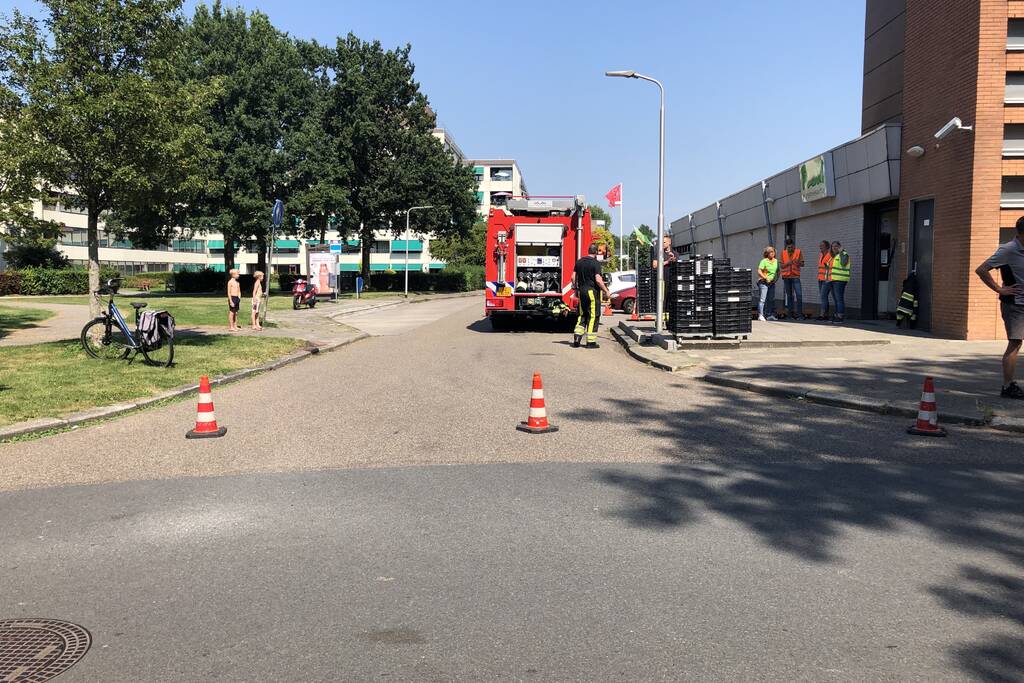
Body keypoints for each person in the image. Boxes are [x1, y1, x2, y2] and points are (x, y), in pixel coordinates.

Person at [974, 216, 1024, 398]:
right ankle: (1007, 386)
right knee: (1015, 343)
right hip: (1016, 305)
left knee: (1017, 344)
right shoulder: (1008, 250)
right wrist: (1000, 289)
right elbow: (981, 269)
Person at [573, 243, 611, 348]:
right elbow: (598, 280)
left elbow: (573, 277)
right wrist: (606, 290)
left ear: (588, 250)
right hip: (592, 292)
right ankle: (590, 342)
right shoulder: (595, 263)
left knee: (582, 314)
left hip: (581, 292)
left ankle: (577, 337)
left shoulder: (579, 262)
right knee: (593, 316)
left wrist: (576, 288)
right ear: (595, 252)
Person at [652, 236, 677, 320]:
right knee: (662, 299)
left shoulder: (675, 253)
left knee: (671, 300)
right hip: (662, 280)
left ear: (669, 242)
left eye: (664, 242)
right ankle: (660, 321)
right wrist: (667, 262)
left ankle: (669, 320)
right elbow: (655, 265)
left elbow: (679, 264)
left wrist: (673, 258)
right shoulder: (659, 254)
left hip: (672, 280)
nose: (662, 244)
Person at [780, 237, 805, 320]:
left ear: (794, 246)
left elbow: (802, 264)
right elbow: (782, 266)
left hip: (795, 277)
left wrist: (798, 262)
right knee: (790, 296)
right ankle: (789, 315)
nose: (790, 248)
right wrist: (788, 263)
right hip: (786, 277)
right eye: (788, 247)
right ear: (786, 247)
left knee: (799, 295)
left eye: (791, 247)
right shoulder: (783, 253)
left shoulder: (798, 252)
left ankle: (799, 315)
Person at [828, 241, 851, 323]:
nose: (834, 248)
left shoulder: (844, 254)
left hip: (840, 280)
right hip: (833, 280)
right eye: (833, 246)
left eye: (836, 246)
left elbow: (844, 263)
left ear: (840, 247)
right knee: (836, 299)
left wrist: (841, 251)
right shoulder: (834, 256)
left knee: (839, 299)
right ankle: (836, 315)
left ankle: (840, 316)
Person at [757, 246, 779, 321]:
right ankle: (761, 315)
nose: (772, 253)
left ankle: (769, 315)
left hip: (772, 283)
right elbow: (759, 271)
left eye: (773, 251)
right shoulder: (764, 261)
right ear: (767, 253)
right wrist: (766, 278)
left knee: (771, 299)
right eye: (770, 252)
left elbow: (778, 271)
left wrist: (776, 279)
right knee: (763, 299)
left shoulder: (776, 261)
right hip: (763, 282)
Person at [816, 240, 833, 321]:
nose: (820, 247)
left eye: (822, 245)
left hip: (827, 279)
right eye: (820, 245)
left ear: (827, 247)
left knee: (823, 297)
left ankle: (822, 315)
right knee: (824, 297)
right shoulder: (821, 255)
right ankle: (826, 315)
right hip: (820, 279)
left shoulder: (830, 255)